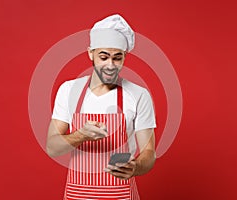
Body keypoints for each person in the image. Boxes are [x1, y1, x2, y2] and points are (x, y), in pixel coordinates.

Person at [46, 14, 156, 200]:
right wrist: (81, 135)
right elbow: (52, 147)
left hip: (120, 194)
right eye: (103, 57)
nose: (110, 65)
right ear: (91, 53)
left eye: (117, 58)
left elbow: (149, 153)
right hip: (78, 194)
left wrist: (135, 167)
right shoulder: (69, 90)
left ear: (124, 57)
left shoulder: (139, 95)